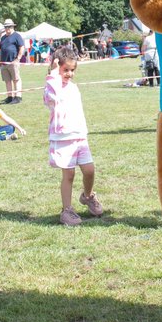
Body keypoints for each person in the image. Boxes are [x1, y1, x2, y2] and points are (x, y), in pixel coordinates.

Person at [44, 45, 103, 226]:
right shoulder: (51, 87)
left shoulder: (73, 88)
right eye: (65, 70)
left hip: (79, 136)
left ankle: (87, 196)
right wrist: (54, 72)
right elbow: (52, 98)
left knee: (89, 170)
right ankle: (67, 210)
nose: (69, 74)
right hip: (63, 138)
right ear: (56, 67)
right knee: (68, 174)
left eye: (72, 70)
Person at [0, 18, 26, 104]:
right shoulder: (3, 38)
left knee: (16, 79)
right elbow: (0, 50)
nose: (8, 28)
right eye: (6, 27)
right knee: (7, 80)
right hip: (4, 63)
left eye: (9, 26)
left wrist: (18, 59)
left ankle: (18, 97)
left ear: (13, 27)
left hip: (13, 61)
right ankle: (10, 97)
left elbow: (21, 48)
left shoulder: (17, 36)